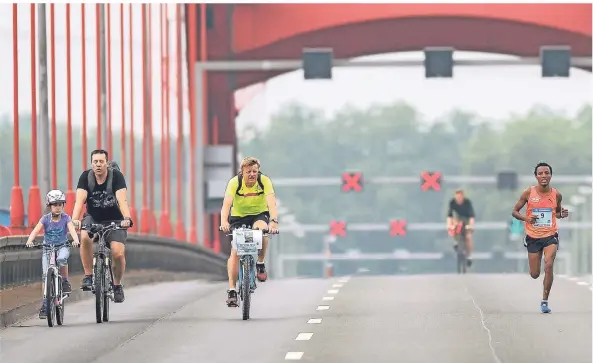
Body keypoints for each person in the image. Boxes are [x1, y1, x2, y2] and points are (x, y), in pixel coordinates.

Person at [71, 149, 133, 303]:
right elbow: (79, 201)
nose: (98, 165)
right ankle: (88, 275)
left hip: (116, 220)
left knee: (118, 253)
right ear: (91, 163)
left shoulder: (117, 177)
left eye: (101, 161)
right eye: (95, 162)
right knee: (84, 236)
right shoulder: (86, 177)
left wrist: (127, 218)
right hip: (93, 218)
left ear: (106, 163)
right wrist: (74, 219)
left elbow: (122, 200)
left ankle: (117, 285)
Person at [220, 157, 279, 307]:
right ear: (242, 172)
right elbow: (226, 204)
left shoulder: (264, 181)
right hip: (238, 217)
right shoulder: (235, 183)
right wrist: (224, 222)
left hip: (259, 214)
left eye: (255, 171)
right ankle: (232, 290)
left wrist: (273, 221)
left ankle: (260, 262)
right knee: (235, 251)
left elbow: (271, 203)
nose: (252, 175)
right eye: (248, 172)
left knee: (262, 230)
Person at [512, 162, 568, 313]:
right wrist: (527, 219)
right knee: (535, 274)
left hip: (550, 235)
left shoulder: (556, 194)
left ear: (551, 175)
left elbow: (555, 213)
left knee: (549, 265)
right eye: (540, 173)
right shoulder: (528, 193)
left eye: (546, 173)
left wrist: (561, 214)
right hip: (533, 236)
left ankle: (544, 301)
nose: (544, 176)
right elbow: (515, 212)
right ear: (536, 176)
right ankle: (537, 272)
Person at [25, 189, 80, 319]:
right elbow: (35, 231)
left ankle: (65, 282)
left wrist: (76, 240)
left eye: (60, 204)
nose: (58, 207)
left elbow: (72, 230)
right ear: (49, 206)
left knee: (62, 259)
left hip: (62, 246)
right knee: (45, 275)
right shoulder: (45, 219)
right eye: (55, 204)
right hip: (47, 248)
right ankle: (45, 304)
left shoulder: (66, 218)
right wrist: (29, 241)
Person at [446, 189, 476, 267]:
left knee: (468, 237)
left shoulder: (467, 203)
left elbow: (472, 217)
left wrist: (470, 226)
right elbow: (450, 216)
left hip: (466, 219)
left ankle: (469, 256)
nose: (458, 199)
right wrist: (449, 225)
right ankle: (456, 240)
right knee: (454, 226)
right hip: (457, 219)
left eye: (460, 197)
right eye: (457, 197)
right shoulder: (452, 203)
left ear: (463, 197)